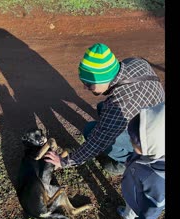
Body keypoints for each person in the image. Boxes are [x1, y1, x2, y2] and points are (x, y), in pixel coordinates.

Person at [45, 43, 164, 175]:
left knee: (91, 130)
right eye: (83, 83)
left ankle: (129, 163)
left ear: (104, 79)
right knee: (102, 108)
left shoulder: (120, 105)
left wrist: (64, 162)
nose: (85, 88)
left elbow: (96, 143)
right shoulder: (136, 62)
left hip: (152, 142)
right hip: (156, 119)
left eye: (89, 84)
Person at [110, 102, 165, 219]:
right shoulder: (155, 152)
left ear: (152, 147)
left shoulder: (158, 179)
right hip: (133, 189)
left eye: (134, 143)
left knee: (130, 215)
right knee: (129, 207)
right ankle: (128, 209)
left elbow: (156, 206)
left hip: (138, 202)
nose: (130, 142)